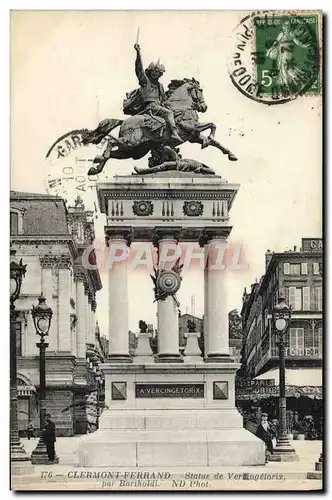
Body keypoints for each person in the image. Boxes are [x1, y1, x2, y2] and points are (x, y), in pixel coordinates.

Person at [133, 43, 183, 145]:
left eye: (157, 72)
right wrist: (138, 53)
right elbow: (139, 69)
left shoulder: (160, 86)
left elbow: (164, 100)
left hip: (158, 107)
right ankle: (174, 133)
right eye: (153, 71)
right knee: (169, 113)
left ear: (160, 74)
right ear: (150, 72)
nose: (155, 73)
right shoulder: (145, 81)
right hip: (150, 107)